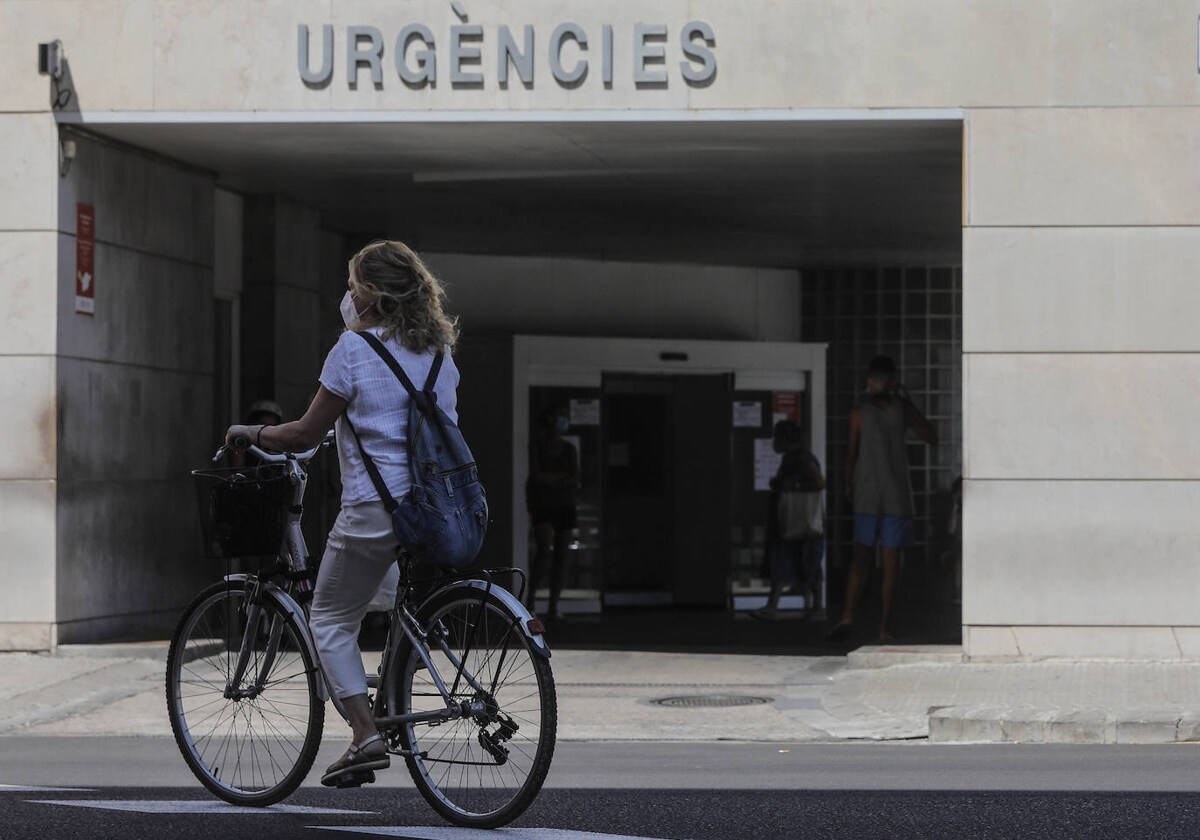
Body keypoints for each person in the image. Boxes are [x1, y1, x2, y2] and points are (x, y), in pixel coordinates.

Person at [224, 239, 460, 787]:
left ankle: (365, 733)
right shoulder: (441, 356)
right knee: (377, 591)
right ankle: (401, 667)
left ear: (374, 296)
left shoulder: (351, 351)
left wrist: (252, 431)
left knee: (328, 618)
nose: (347, 298)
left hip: (376, 508)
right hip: (435, 507)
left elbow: (305, 432)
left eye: (353, 288)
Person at [827, 355, 936, 643]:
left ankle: (858, 619)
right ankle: (872, 625)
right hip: (888, 495)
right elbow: (929, 436)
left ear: (887, 381)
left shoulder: (879, 412)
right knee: (883, 562)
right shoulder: (866, 412)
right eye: (871, 379)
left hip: (880, 495)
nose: (870, 384)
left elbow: (930, 436)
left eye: (875, 379)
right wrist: (850, 483)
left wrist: (849, 483)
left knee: (867, 559)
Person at [753, 419, 826, 621]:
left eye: (777, 437)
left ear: (785, 439)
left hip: (800, 523)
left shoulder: (801, 458)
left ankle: (815, 607)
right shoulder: (792, 458)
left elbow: (819, 483)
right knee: (785, 562)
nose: (774, 442)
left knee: (807, 563)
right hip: (792, 522)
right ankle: (774, 606)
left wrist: (792, 488)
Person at [524, 403, 579, 621]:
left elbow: (575, 477)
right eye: (559, 418)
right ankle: (531, 601)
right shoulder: (537, 446)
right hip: (543, 504)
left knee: (562, 554)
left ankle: (554, 605)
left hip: (565, 504)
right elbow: (538, 477)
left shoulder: (569, 449)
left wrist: (552, 479)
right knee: (543, 550)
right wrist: (561, 479)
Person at [230, 399, 282, 468]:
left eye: (270, 426)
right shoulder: (245, 441)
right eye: (262, 424)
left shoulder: (279, 443)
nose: (266, 429)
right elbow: (237, 467)